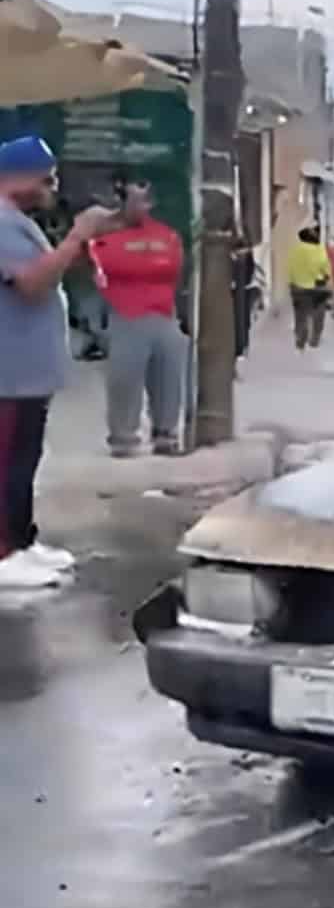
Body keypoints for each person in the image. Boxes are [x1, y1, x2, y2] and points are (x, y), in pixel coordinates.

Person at [0, 136, 114, 590]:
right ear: (17, 178)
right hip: (8, 372)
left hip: (27, 372)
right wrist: (76, 237)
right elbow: (31, 284)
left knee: (24, 459)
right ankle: (3, 552)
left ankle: (21, 541)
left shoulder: (19, 223)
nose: (53, 187)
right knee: (7, 461)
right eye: (46, 178)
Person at [88, 180, 187, 457]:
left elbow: (174, 266)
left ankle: (166, 433)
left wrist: (138, 267)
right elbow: (107, 269)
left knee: (168, 377)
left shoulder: (167, 235)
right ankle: (123, 436)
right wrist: (147, 265)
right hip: (125, 315)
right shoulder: (101, 237)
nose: (137, 207)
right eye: (132, 199)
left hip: (163, 314)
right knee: (124, 378)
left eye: (143, 200)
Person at [285, 226, 332, 350]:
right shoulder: (319, 250)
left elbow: (290, 268)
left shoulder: (294, 250)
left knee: (300, 313)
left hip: (297, 287)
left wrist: (291, 283)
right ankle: (315, 339)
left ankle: (300, 338)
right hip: (316, 286)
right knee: (318, 314)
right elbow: (326, 269)